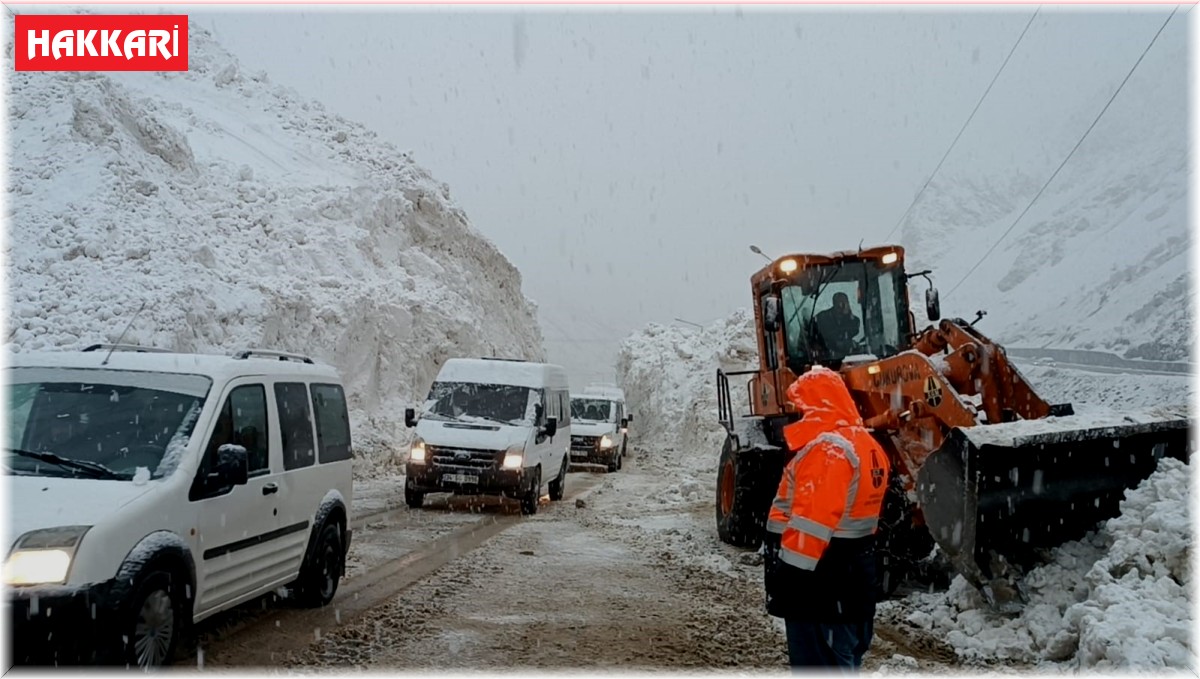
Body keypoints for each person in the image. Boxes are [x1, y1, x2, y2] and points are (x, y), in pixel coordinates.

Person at [762, 366, 891, 672]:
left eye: (802, 407)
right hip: (851, 582)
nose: (798, 415)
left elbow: (812, 525)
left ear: (818, 405)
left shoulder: (829, 451)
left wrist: (788, 580)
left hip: (820, 589)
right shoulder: (866, 444)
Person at [813, 292, 861, 356]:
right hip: (825, 356)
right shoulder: (821, 318)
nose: (842, 306)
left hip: (848, 357)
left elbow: (855, 335)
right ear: (834, 304)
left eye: (845, 303)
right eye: (839, 303)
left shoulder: (854, 321)